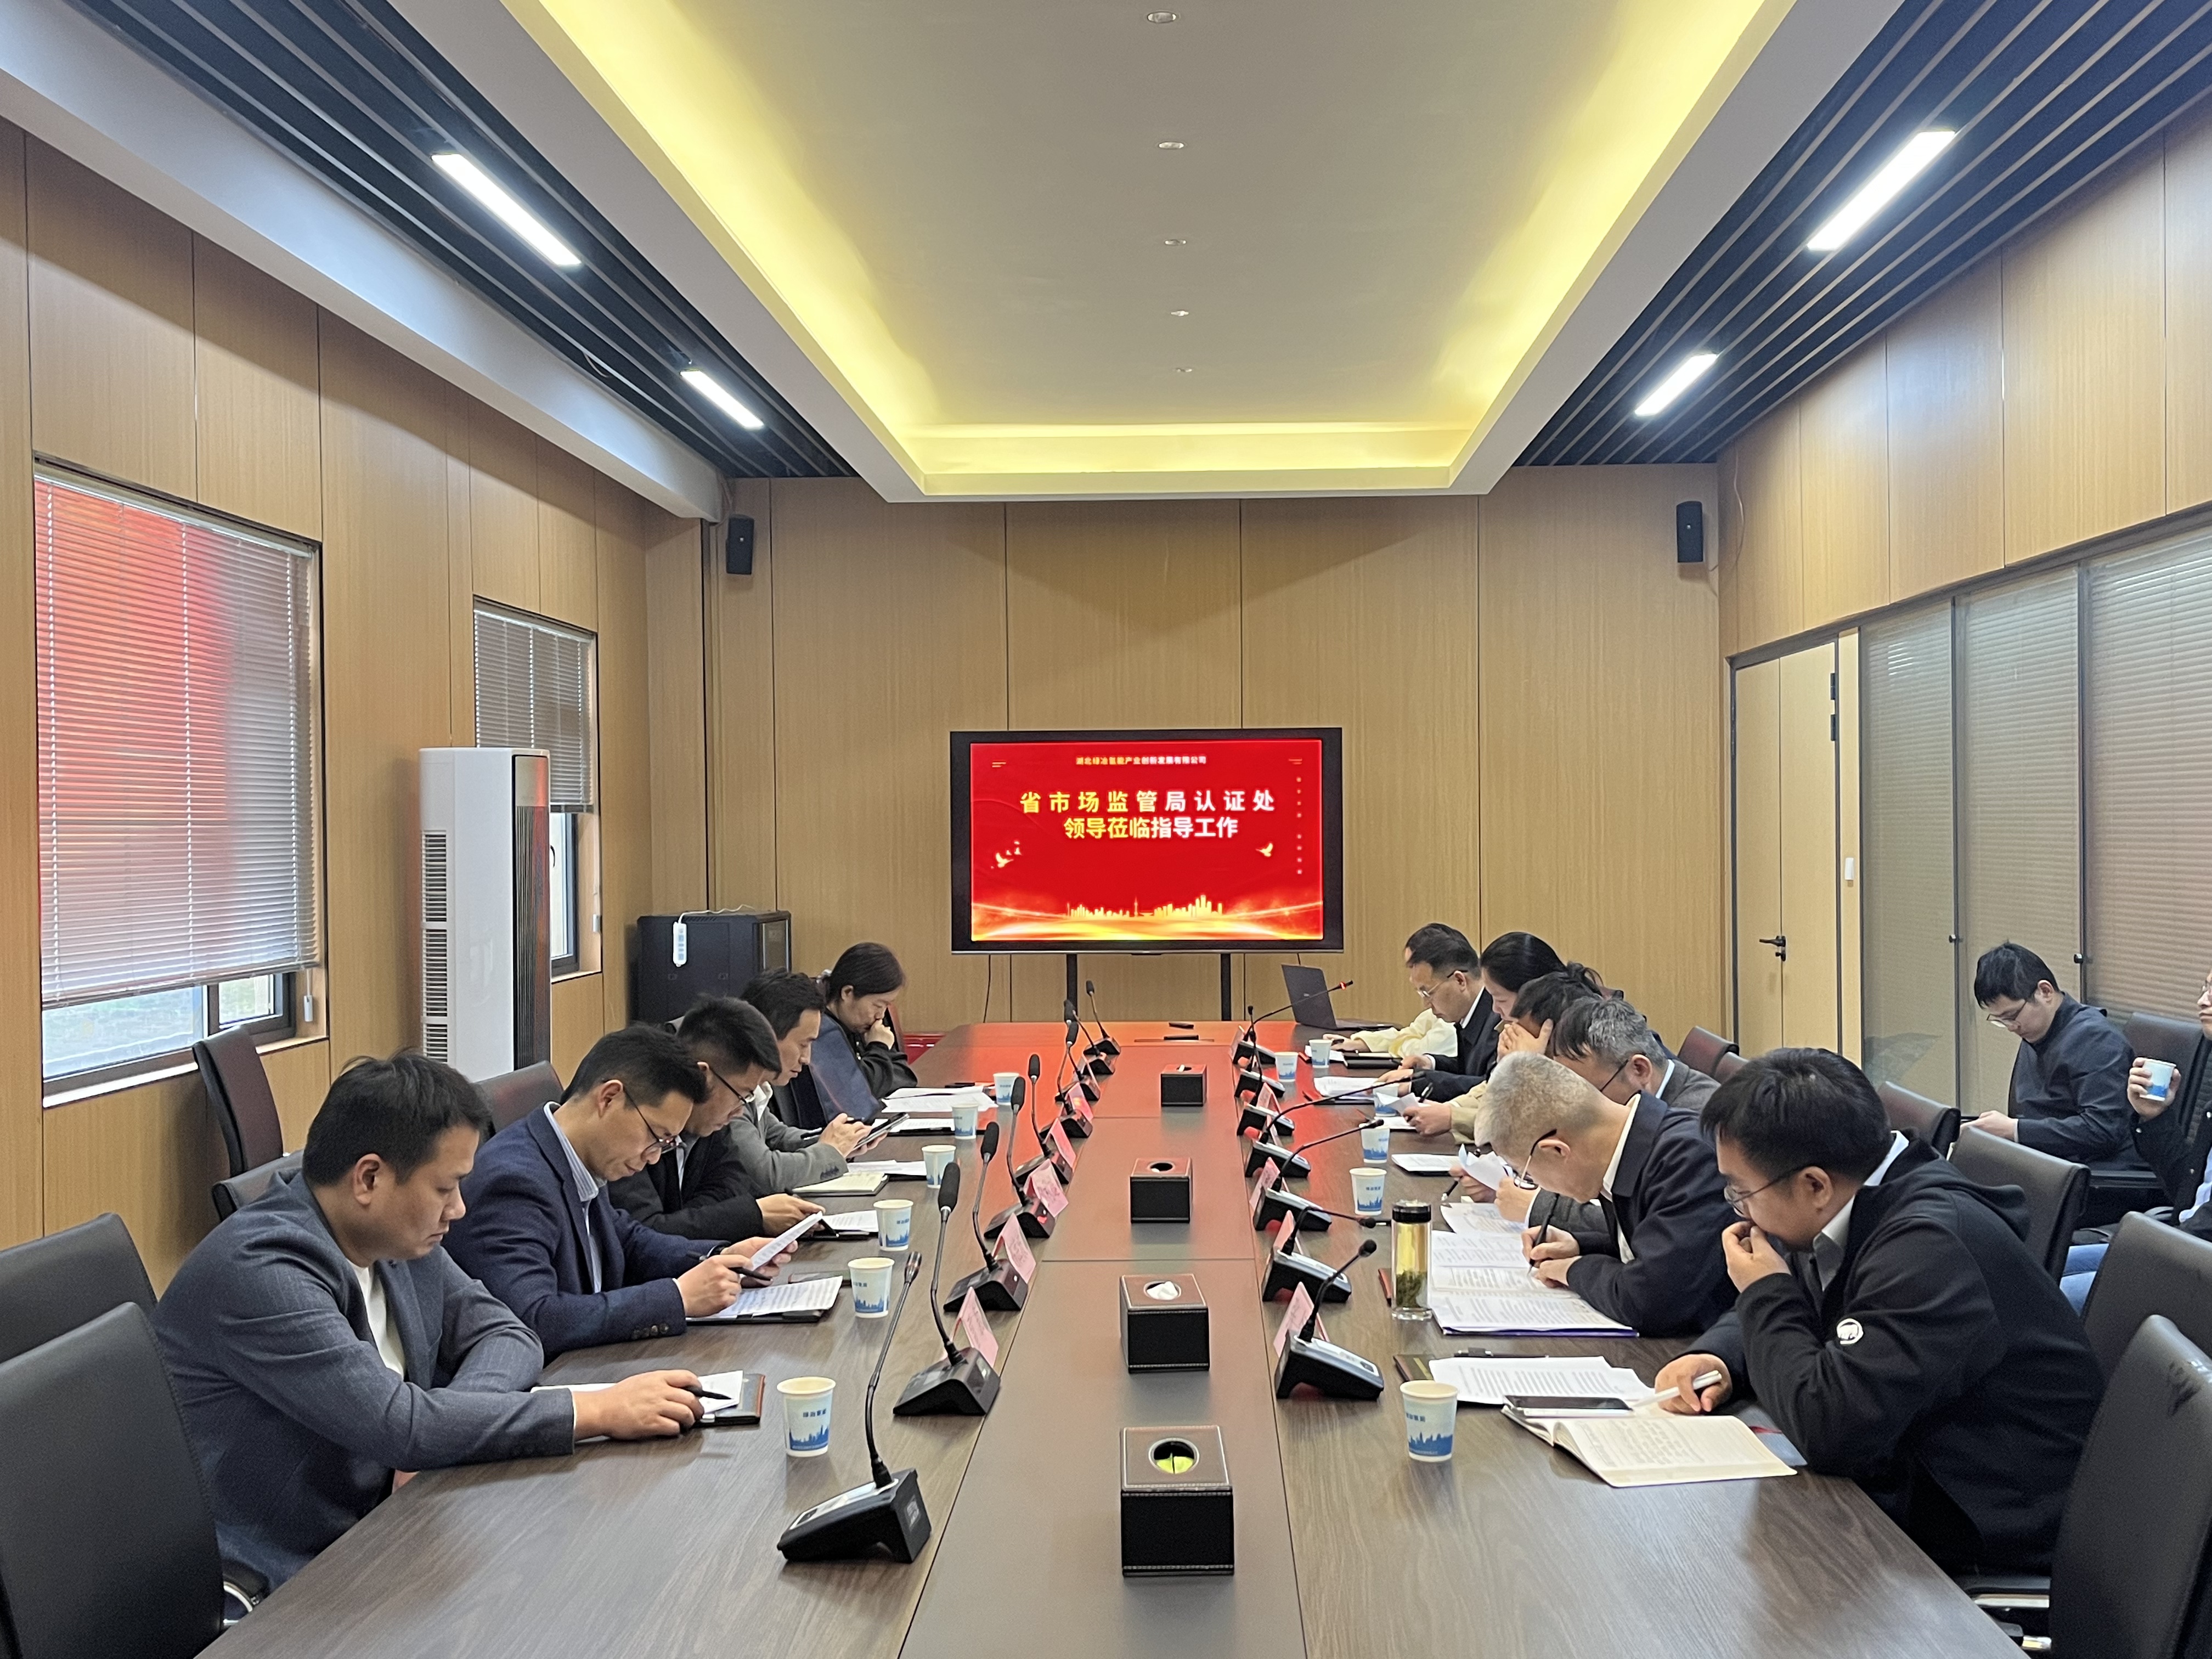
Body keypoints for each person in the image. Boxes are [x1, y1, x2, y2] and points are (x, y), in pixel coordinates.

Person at [154, 1054, 707, 1588]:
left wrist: (443, 1433)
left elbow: (508, 1333)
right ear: (369, 1179)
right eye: (445, 1187)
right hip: (294, 1570)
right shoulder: (262, 1271)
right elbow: (399, 1426)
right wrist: (596, 1410)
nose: (459, 1208)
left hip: (396, 1523)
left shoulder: (395, 1238)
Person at [1657, 1049, 2104, 1573]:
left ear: (1814, 1185)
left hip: (1987, 1522)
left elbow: (1829, 1428)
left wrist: (1762, 1295)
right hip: (1909, 1477)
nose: (1740, 1207)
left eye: (1742, 1191)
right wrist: (1721, 1356)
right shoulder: (1859, 1195)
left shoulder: (1929, 1247)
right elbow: (1800, 1292)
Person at [443, 1025, 793, 1357]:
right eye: (656, 1136)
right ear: (609, 1098)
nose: (654, 1157)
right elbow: (534, 1319)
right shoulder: (514, 1181)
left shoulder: (575, 1155)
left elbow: (629, 1239)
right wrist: (677, 1297)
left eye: (667, 1145)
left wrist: (720, 1257)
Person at [1472, 1051, 1736, 1336]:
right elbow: (1660, 1247)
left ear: (1557, 1150)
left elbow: (1650, 1302)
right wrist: (1582, 1246)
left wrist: (1572, 1270)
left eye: (1527, 1174)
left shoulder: (1687, 1158)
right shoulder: (1634, 1146)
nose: (1538, 1184)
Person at [606, 996, 827, 1242]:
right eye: (741, 1095)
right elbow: (643, 1234)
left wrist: (686, 1220)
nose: (739, 1111)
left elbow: (735, 1183)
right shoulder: (638, 1120)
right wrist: (745, 1217)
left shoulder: (710, 1122)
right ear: (704, 1077)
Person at [2061, 963, 2212, 1308]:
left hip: (2196, 1263)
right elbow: (2186, 1193)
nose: (2203, 1001)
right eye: (2205, 988)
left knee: (2057, 1298)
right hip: (2182, 1243)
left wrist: (2155, 1247)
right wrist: (2154, 1117)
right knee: (2040, 1267)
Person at [1960, 941, 2135, 1163]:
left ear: (2045, 992)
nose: (2012, 1027)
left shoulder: (2096, 1039)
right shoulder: (2036, 1029)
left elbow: (2102, 1129)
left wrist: (2015, 1130)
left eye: (2012, 1016)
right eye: (2001, 1021)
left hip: (2093, 1170)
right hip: (2046, 1160)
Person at [721, 979, 869, 1192]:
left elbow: (777, 1136)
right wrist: (830, 1151)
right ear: (766, 1036)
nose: (806, 1059)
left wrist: (842, 1140)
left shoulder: (757, 1087)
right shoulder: (729, 1091)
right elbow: (768, 1174)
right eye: (803, 1044)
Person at [780, 944, 918, 1127]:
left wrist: (879, 1052)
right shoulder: (820, 1029)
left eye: (887, 1006)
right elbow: (858, 1095)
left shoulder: (859, 1024)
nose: (880, 1015)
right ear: (847, 993)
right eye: (878, 1005)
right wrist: (879, 1048)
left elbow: (905, 1077)